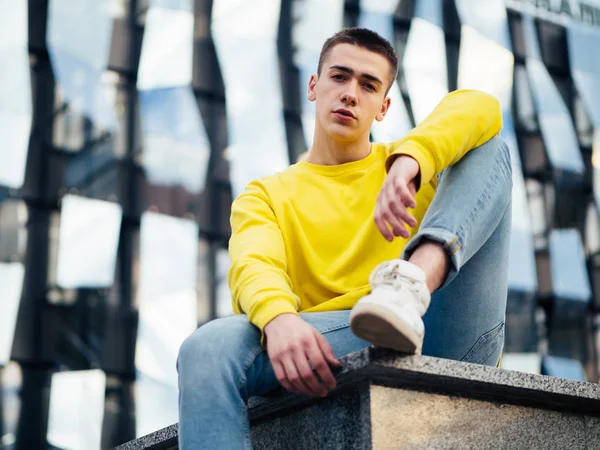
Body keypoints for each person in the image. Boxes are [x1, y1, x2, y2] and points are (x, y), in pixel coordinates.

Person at [177, 27, 512, 449]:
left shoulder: (409, 171)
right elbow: (253, 264)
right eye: (340, 76)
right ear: (314, 87)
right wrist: (278, 318)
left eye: (368, 85)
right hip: (346, 339)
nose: (351, 93)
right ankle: (391, 300)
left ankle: (407, 288)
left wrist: (412, 158)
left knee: (490, 147)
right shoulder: (267, 195)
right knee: (205, 349)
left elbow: (480, 104)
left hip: (445, 329)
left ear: (384, 107)